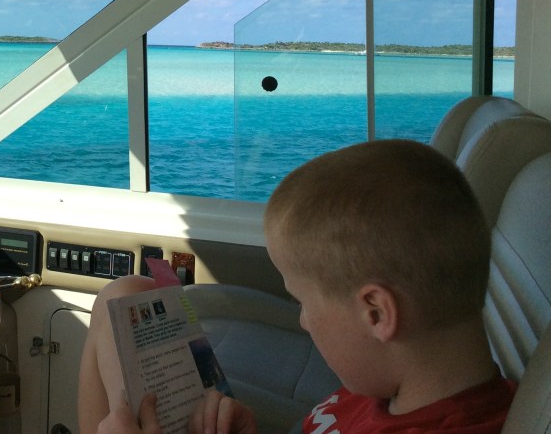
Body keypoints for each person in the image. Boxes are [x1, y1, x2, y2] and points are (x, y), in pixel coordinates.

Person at [78, 139, 516, 434]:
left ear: (377, 313)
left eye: (303, 302)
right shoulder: (391, 388)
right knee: (123, 294)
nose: (303, 322)